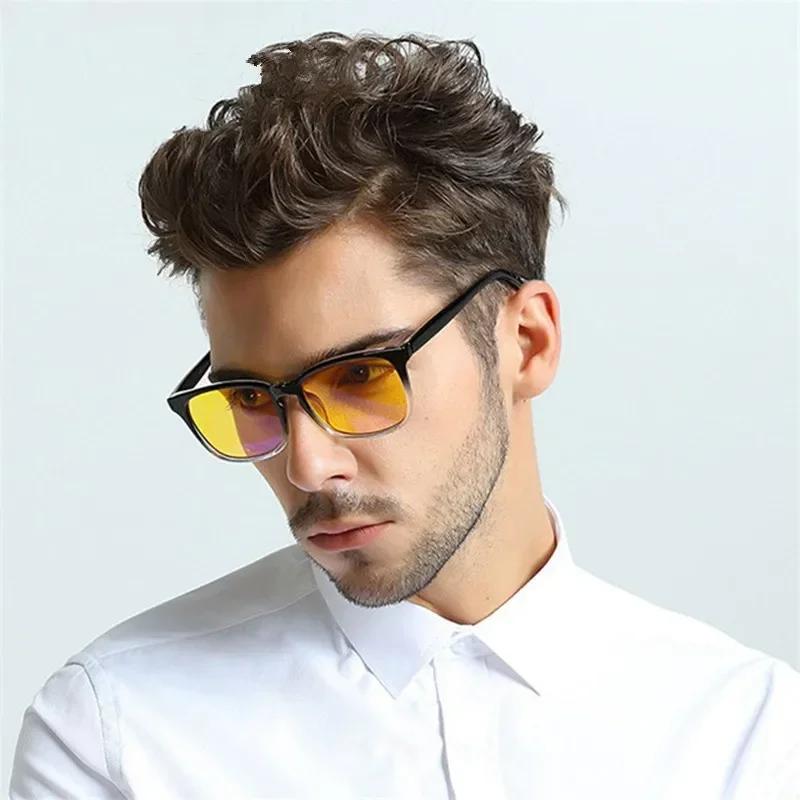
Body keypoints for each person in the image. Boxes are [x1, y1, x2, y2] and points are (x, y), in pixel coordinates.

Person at [10, 30, 799, 800]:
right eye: (252, 398)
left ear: (527, 341)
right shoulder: (120, 737)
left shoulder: (747, 737)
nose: (307, 466)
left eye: (360, 375)